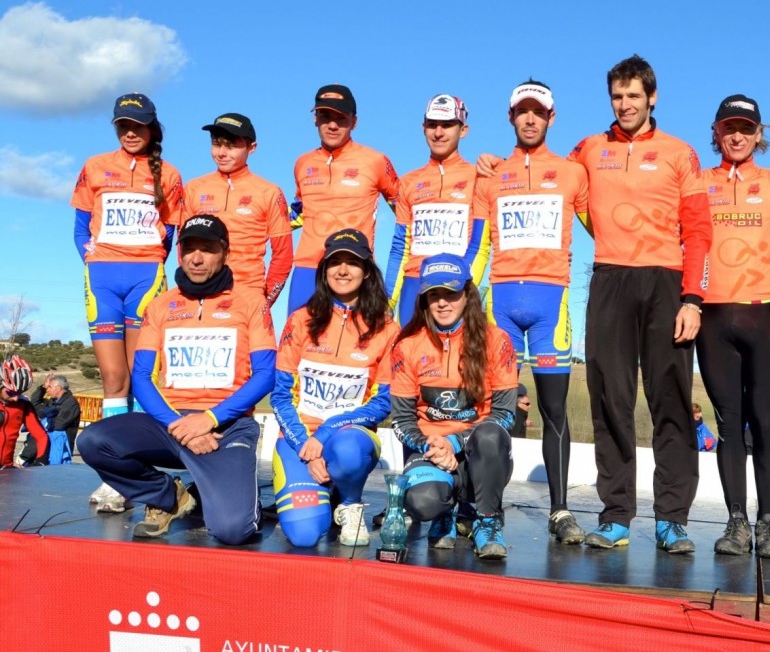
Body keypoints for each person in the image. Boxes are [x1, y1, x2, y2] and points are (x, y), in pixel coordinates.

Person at [567, 55, 711, 553]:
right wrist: (498, 168)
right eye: (617, 96)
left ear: (652, 97)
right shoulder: (589, 148)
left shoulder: (680, 153)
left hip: (667, 281)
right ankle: (616, 515)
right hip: (609, 277)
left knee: (670, 398)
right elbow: (556, 185)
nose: (625, 104)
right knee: (610, 398)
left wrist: (693, 297)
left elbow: (697, 229)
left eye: (633, 96)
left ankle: (673, 518)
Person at [78, 215, 276, 544]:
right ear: (179, 252)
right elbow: (141, 377)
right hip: (170, 424)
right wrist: (176, 424)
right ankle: (168, 496)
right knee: (93, 442)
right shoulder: (160, 306)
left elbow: (266, 374)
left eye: (207, 249)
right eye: (189, 249)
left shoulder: (251, 303)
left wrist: (210, 418)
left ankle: (224, 489)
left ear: (225, 253)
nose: (196, 258)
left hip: (225, 428)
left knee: (232, 530)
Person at [466, 79, 590, 545]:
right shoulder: (491, 174)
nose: (531, 119)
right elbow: (478, 247)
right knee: (491, 409)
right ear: (511, 117)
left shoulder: (573, 173)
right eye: (523, 112)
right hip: (501, 304)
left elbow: (603, 229)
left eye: (539, 112)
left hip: (550, 306)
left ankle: (560, 510)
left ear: (552, 118)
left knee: (554, 409)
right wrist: (464, 294)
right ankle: (485, 510)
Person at [71, 93, 183, 511]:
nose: (130, 132)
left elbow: (170, 232)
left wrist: (149, 257)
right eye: (123, 125)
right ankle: (114, 480)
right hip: (102, 278)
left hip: (145, 276)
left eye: (138, 125)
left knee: (141, 377)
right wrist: (91, 254)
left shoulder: (169, 175)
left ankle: (139, 467)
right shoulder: (95, 166)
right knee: (113, 379)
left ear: (153, 128)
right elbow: (80, 226)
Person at [697, 94, 770, 560]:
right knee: (729, 424)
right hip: (712, 317)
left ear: (759, 134)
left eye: (745, 129)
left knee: (766, 422)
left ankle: (769, 523)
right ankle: (736, 522)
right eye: (728, 127)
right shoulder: (696, 183)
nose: (736, 136)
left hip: (763, 315)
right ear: (716, 131)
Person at [271, 229, 399, 547]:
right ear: (324, 270)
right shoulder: (300, 320)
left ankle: (350, 503)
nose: (342, 270)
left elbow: (383, 402)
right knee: (304, 536)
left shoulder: (386, 328)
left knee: (347, 451)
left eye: (352, 263)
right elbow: (280, 394)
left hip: (348, 437)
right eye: (335, 262)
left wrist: (326, 432)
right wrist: (307, 446)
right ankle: (323, 491)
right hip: (299, 440)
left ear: (367, 271)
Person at [390, 253, 518, 560]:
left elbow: (505, 414)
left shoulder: (496, 341)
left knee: (489, 434)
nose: (442, 303)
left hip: (480, 457)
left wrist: (453, 442)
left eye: (451, 293)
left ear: (467, 295)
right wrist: (432, 446)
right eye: (434, 295)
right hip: (431, 452)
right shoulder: (408, 346)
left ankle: (486, 520)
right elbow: (401, 420)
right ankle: (444, 514)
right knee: (423, 502)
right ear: (424, 300)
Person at [288, 84, 399, 313]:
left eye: (341, 118)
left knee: (357, 345)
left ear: (354, 122)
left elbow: (405, 211)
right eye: (325, 116)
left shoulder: (375, 161)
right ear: (315, 119)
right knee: (297, 343)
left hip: (354, 267)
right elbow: (299, 214)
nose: (332, 125)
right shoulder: (303, 163)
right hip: (307, 269)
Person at [385, 94, 484, 325]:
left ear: (464, 130)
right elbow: (400, 246)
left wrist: (466, 283)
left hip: (455, 285)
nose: (438, 132)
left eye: (447, 125)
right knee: (408, 357)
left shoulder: (479, 177)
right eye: (432, 124)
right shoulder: (408, 182)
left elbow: (481, 243)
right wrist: (388, 300)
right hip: (414, 284)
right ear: (423, 128)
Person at [181, 113, 292, 306]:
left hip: (248, 295)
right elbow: (184, 247)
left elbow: (283, 255)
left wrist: (265, 301)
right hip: (201, 295)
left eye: (231, 146)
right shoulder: (193, 188)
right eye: (217, 144)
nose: (222, 153)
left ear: (252, 147)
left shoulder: (269, 192)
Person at [20, 373, 80, 464]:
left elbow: (59, 424)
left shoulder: (71, 403)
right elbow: (35, 403)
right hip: (45, 445)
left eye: (49, 387)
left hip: (59, 447)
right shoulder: (52, 402)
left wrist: (44, 420)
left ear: (58, 388)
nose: (47, 390)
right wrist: (43, 387)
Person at [0, 356, 49, 468]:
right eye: (11, 393)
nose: (16, 398)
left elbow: (41, 436)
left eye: (20, 393)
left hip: (6, 470)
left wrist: (41, 461)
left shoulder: (24, 405)